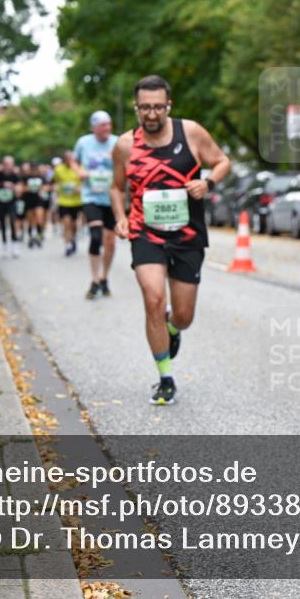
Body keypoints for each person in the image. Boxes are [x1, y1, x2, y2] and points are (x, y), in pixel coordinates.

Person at [111, 75, 231, 405]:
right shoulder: (124, 145)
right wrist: (121, 218)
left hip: (188, 234)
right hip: (145, 232)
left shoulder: (190, 132)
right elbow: (116, 187)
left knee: (183, 315)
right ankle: (165, 377)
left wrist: (207, 183)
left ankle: (173, 329)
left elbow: (222, 161)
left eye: (158, 107)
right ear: (136, 107)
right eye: (145, 108)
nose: (151, 114)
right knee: (152, 299)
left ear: (169, 106)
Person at [74, 111, 119, 298]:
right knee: (95, 236)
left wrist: (115, 159)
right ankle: (94, 279)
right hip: (90, 196)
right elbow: (75, 162)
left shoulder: (117, 142)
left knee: (110, 241)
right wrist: (80, 172)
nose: (107, 128)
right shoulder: (83, 142)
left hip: (111, 197)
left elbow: (129, 164)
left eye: (109, 124)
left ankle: (104, 277)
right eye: (102, 125)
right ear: (94, 128)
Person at [53, 151, 83, 256]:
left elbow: (85, 183)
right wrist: (57, 188)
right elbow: (55, 182)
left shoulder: (79, 168)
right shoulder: (58, 169)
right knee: (66, 223)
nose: (69, 161)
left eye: (71, 159)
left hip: (76, 201)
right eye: (67, 159)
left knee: (74, 224)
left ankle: (73, 238)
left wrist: (79, 189)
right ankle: (68, 245)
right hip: (63, 201)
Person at [0, 156, 21, 258]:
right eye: (6, 164)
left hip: (11, 202)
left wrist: (12, 186)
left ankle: (14, 245)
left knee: (13, 222)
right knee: (2, 223)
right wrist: (0, 184)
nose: (8, 166)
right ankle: (4, 246)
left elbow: (19, 190)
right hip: (0, 202)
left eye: (10, 164)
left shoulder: (15, 175)